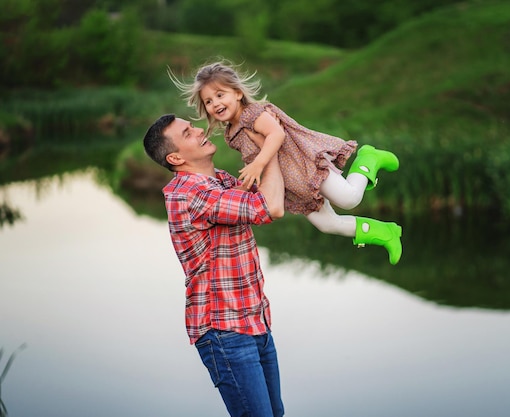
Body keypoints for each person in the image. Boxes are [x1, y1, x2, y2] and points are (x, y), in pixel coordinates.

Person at [169, 59, 403, 265]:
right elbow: (255, 155)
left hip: (306, 168)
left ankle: (368, 159)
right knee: (327, 224)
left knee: (349, 198)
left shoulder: (253, 113)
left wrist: (259, 165)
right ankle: (385, 233)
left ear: (237, 93)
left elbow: (276, 135)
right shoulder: (232, 133)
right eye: (208, 101)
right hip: (293, 184)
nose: (215, 104)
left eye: (220, 95)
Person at [143, 113, 286, 417]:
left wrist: (265, 146)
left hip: (253, 320)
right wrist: (272, 140)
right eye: (187, 132)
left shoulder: (218, 180)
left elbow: (268, 192)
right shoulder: (189, 193)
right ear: (175, 157)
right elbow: (269, 207)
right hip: (225, 331)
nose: (199, 129)